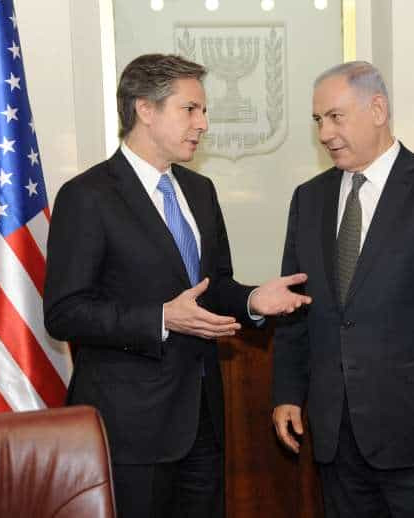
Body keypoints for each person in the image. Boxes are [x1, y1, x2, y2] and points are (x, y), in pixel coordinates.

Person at [44, 53, 310, 518]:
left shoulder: (200, 191)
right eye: (190, 109)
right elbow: (64, 312)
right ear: (145, 109)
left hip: (203, 417)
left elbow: (213, 286)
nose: (203, 123)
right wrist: (161, 318)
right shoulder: (88, 196)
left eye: (203, 111)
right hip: (131, 428)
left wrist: (253, 300)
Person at [272, 61, 414, 517]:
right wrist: (288, 392)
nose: (324, 133)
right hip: (336, 435)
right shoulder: (308, 199)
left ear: (377, 109)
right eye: (318, 120)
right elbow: (296, 307)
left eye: (335, 117)